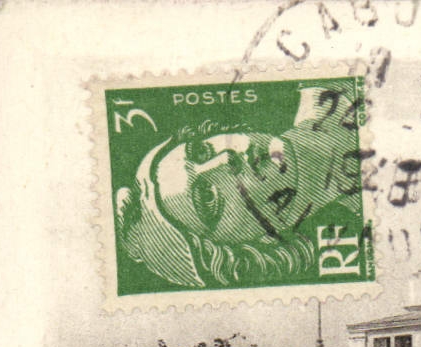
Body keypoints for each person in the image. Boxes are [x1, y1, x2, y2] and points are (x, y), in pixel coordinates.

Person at [113, 84, 364, 290]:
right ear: (254, 246)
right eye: (207, 196)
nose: (226, 159)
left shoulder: (334, 87)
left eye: (201, 151)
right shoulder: (362, 213)